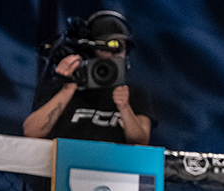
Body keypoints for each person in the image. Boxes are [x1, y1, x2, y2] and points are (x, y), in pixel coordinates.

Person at [23, 10, 153, 145]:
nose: (112, 55)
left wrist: (125, 108)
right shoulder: (62, 84)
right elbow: (31, 132)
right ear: (90, 51)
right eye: (104, 48)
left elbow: (142, 141)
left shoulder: (135, 93)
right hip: (67, 157)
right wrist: (68, 89)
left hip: (113, 159)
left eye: (119, 49)